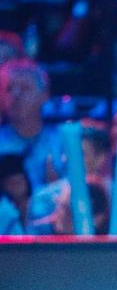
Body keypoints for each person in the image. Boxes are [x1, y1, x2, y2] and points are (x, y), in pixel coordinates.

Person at [0, 58, 64, 192]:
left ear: (45, 95)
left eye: (24, 88)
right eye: (9, 89)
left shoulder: (63, 141)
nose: (15, 95)